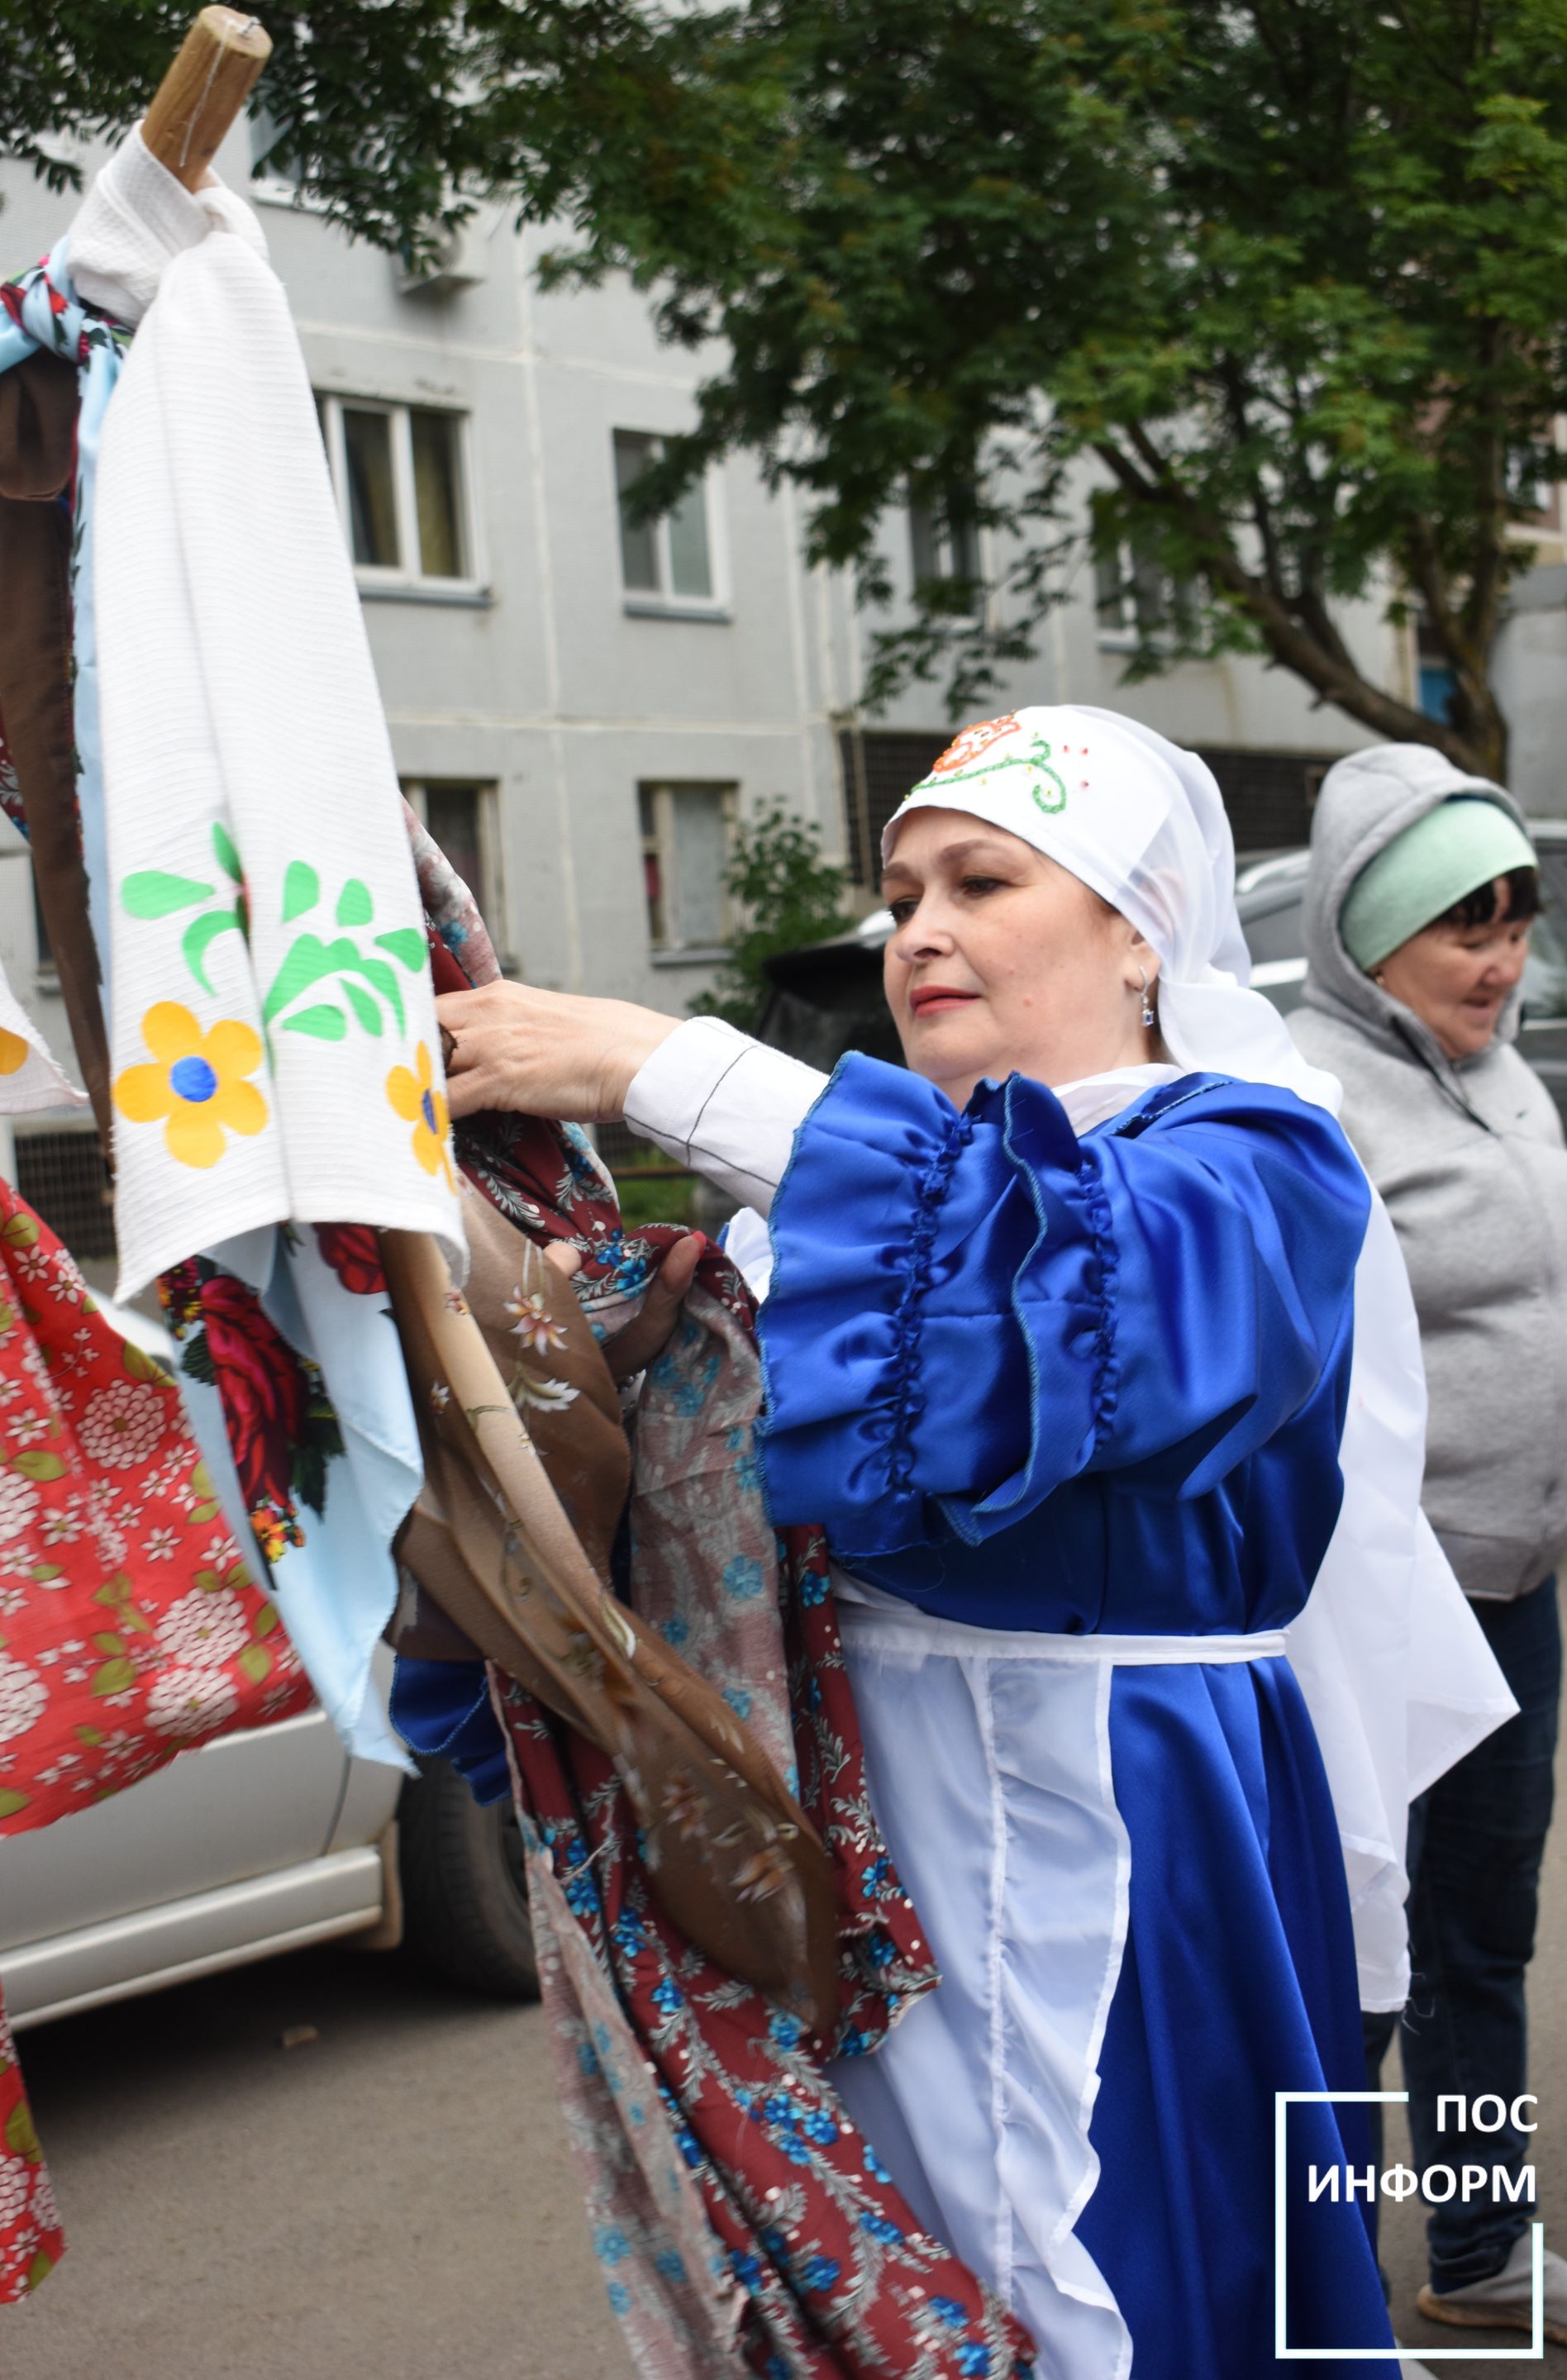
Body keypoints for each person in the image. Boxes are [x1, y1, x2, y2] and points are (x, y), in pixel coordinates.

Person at [436, 707, 1501, 2380]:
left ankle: (1465, 2253)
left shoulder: (1248, 1149)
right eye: (903, 887)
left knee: (1105, 2276)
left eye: (983, 879)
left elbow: (1091, 1306)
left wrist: (672, 1068)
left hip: (1113, 1807)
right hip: (865, 1834)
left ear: (1141, 928)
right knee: (893, 2267)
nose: (919, 925)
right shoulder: (821, 1209)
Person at [1292, 743, 1567, 2344]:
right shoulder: (1313, 1093)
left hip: (1517, 1592)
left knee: (1485, 1939)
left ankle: (1477, 2255)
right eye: (1462, 921)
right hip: (1388, 1610)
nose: (1501, 952)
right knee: (1361, 1963)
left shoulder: (1507, 1067)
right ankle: (1314, 2280)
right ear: (1364, 928)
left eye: (1519, 916)